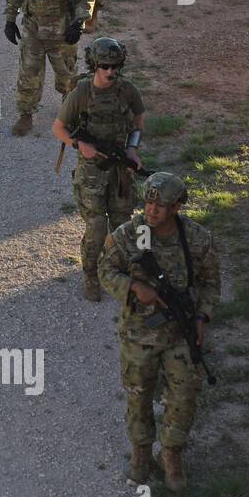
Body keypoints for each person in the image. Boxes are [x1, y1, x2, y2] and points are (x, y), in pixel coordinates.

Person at [99, 172, 221, 492]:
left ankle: (172, 454)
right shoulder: (129, 235)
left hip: (180, 333)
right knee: (138, 395)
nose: (151, 210)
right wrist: (134, 287)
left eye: (160, 205)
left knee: (184, 395)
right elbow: (105, 270)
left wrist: (202, 318)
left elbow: (210, 283)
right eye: (148, 202)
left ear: (177, 206)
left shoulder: (196, 239)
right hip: (139, 332)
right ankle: (141, 453)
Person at [53, 38, 145, 302]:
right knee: (96, 227)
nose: (110, 71)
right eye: (104, 66)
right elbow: (58, 127)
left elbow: (139, 121)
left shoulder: (127, 91)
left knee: (121, 224)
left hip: (119, 172)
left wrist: (132, 149)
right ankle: (91, 275)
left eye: (115, 66)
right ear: (94, 65)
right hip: (91, 172)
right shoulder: (81, 93)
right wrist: (79, 144)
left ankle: (115, 272)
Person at [3, 0, 95, 137]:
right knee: (28, 74)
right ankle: (26, 115)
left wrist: (79, 23)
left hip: (62, 30)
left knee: (67, 76)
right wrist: (9, 18)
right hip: (33, 27)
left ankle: (70, 114)